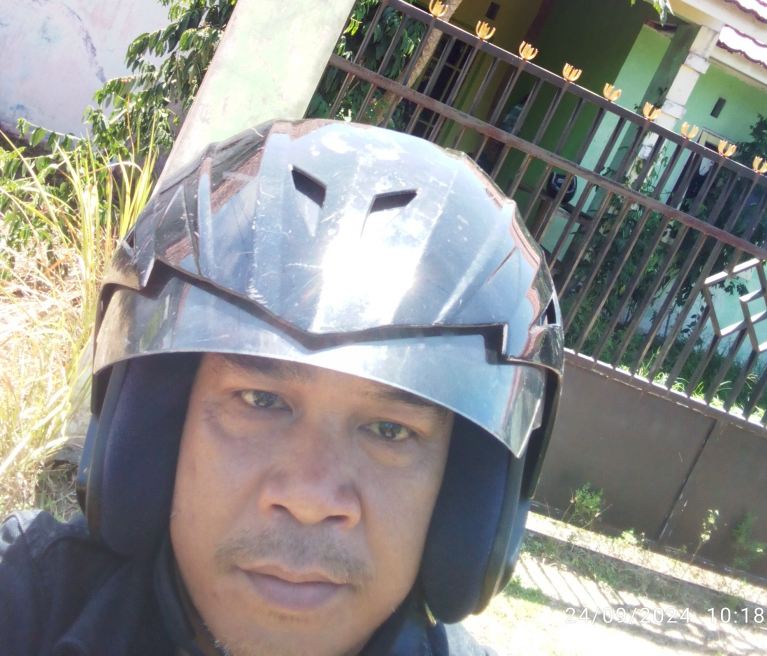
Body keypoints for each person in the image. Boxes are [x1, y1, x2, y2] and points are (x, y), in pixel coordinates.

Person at [0, 120, 563, 656]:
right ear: (157, 428)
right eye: (261, 400)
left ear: (464, 491)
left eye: (389, 430)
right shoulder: (27, 603)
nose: (309, 500)